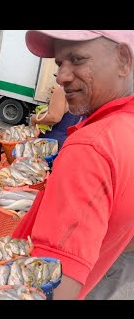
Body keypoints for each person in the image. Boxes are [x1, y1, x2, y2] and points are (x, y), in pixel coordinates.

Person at [12, 30, 134, 300]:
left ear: (124, 60)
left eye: (77, 59)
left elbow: (53, 286)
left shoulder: (90, 147)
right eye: (59, 64)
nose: (62, 76)